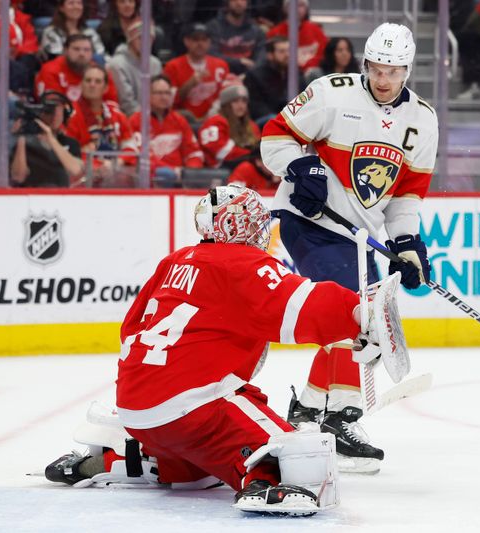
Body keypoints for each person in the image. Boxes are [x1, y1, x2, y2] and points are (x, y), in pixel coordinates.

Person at [44, 185, 405, 515]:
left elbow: (130, 329)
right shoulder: (243, 264)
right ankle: (266, 481)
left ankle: (122, 459)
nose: (262, 233)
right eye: (256, 223)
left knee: (196, 475)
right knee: (302, 462)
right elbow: (301, 305)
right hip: (194, 410)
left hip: (137, 410)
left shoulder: (174, 262)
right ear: (241, 226)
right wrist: (358, 314)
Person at [261, 23, 438, 474]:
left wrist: (406, 243)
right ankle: (342, 417)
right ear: (365, 64)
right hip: (308, 222)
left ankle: (308, 407)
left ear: (407, 70)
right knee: (353, 312)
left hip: (358, 234)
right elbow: (274, 136)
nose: (384, 80)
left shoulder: (423, 119)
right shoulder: (331, 93)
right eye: (377, 68)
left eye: (394, 71)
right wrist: (301, 167)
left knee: (367, 328)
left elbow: (406, 197)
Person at [65, 65, 136, 185]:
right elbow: (68, 155)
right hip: (82, 178)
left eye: (97, 81)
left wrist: (116, 163)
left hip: (116, 174)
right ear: (81, 84)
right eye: (88, 80)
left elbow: (131, 148)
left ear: (106, 88)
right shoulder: (70, 115)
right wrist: (97, 165)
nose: (92, 85)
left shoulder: (116, 113)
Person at [128, 75, 204, 186]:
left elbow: (194, 153)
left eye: (167, 93)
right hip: (149, 183)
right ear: (148, 95)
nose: (164, 97)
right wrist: (168, 170)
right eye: (159, 93)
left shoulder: (180, 120)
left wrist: (188, 173)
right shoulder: (136, 121)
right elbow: (138, 156)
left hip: (178, 183)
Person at [10, 91, 84, 188]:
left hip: (62, 196)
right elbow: (18, 177)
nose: (54, 116)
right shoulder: (27, 142)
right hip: (32, 195)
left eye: (58, 111)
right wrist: (21, 138)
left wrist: (51, 138)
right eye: (49, 111)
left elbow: (76, 171)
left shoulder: (70, 143)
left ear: (64, 115)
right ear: (40, 113)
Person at [163, 22, 231, 127]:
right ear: (186, 41)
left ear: (209, 42)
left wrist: (214, 112)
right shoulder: (172, 66)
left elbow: (226, 95)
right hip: (183, 122)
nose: (200, 44)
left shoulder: (221, 65)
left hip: (214, 120)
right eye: (195, 40)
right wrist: (190, 84)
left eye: (204, 40)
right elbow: (166, 101)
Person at [35, 34, 118, 104]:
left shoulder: (99, 72)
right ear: (65, 51)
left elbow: (111, 103)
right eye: (76, 49)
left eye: (86, 50)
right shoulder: (50, 71)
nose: (82, 54)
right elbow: (51, 108)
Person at [244, 36, 306, 125]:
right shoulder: (255, 76)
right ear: (270, 55)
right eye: (282, 51)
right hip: (267, 122)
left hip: (293, 121)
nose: (287, 55)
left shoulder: (297, 75)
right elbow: (255, 106)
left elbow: (305, 99)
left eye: (289, 50)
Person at [197, 83, 260, 168]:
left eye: (244, 101)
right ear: (226, 105)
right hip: (220, 171)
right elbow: (221, 153)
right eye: (235, 101)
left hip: (248, 169)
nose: (241, 105)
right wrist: (253, 155)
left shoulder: (252, 125)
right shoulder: (214, 122)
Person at [107, 20, 162, 116]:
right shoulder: (116, 64)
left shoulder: (155, 63)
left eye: (149, 38)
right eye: (140, 38)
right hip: (126, 118)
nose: (145, 42)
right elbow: (126, 103)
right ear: (130, 40)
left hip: (152, 117)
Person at [266, 0, 327, 73]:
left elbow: (324, 56)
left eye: (301, 5)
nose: (297, 8)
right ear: (285, 8)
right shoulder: (274, 32)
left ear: (306, 9)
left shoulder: (317, 31)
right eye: (293, 5)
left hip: (310, 75)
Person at [206, 0, 266, 75]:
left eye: (243, 0)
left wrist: (253, 72)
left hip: (249, 76)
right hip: (221, 73)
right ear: (227, 2)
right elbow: (211, 53)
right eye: (234, 0)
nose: (239, 3)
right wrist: (239, 61)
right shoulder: (214, 27)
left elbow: (261, 55)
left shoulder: (256, 30)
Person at [40, 0, 105, 62]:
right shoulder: (51, 32)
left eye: (79, 3)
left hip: (91, 69)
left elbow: (101, 54)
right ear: (61, 8)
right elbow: (56, 57)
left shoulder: (89, 32)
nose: (76, 7)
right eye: (71, 3)